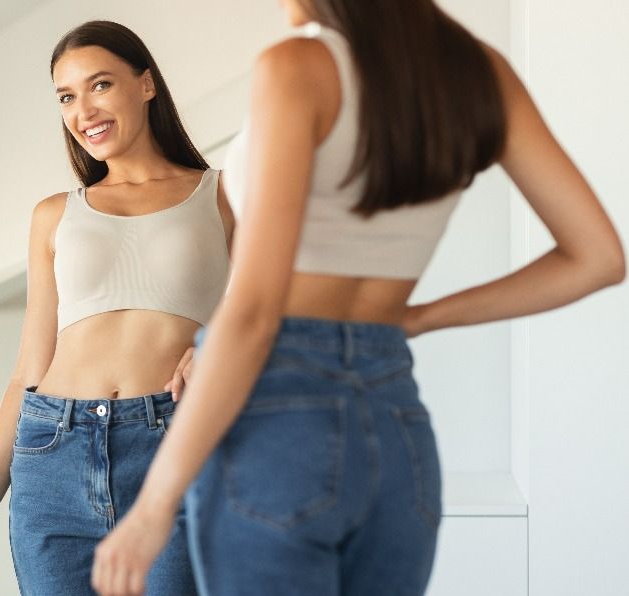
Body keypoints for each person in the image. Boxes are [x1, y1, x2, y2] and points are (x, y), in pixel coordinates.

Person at [91, 1, 625, 595]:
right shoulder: (478, 74)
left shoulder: (299, 66)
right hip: (394, 416)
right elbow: (598, 257)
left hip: (275, 414)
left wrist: (153, 504)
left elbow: (254, 312)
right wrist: (417, 318)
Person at [0, 20, 235, 595]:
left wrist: (214, 347)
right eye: (66, 97)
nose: (83, 110)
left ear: (146, 84)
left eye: (99, 85)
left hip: (173, 448)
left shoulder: (221, 195)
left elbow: (276, 309)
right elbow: (27, 370)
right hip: (52, 454)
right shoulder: (54, 214)